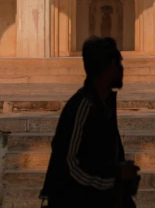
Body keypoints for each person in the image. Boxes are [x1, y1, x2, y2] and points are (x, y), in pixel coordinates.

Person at [40, 36, 140, 208]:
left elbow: (96, 158)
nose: (122, 70)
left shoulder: (103, 104)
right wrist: (114, 178)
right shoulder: (83, 106)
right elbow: (68, 164)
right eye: (118, 64)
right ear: (107, 68)